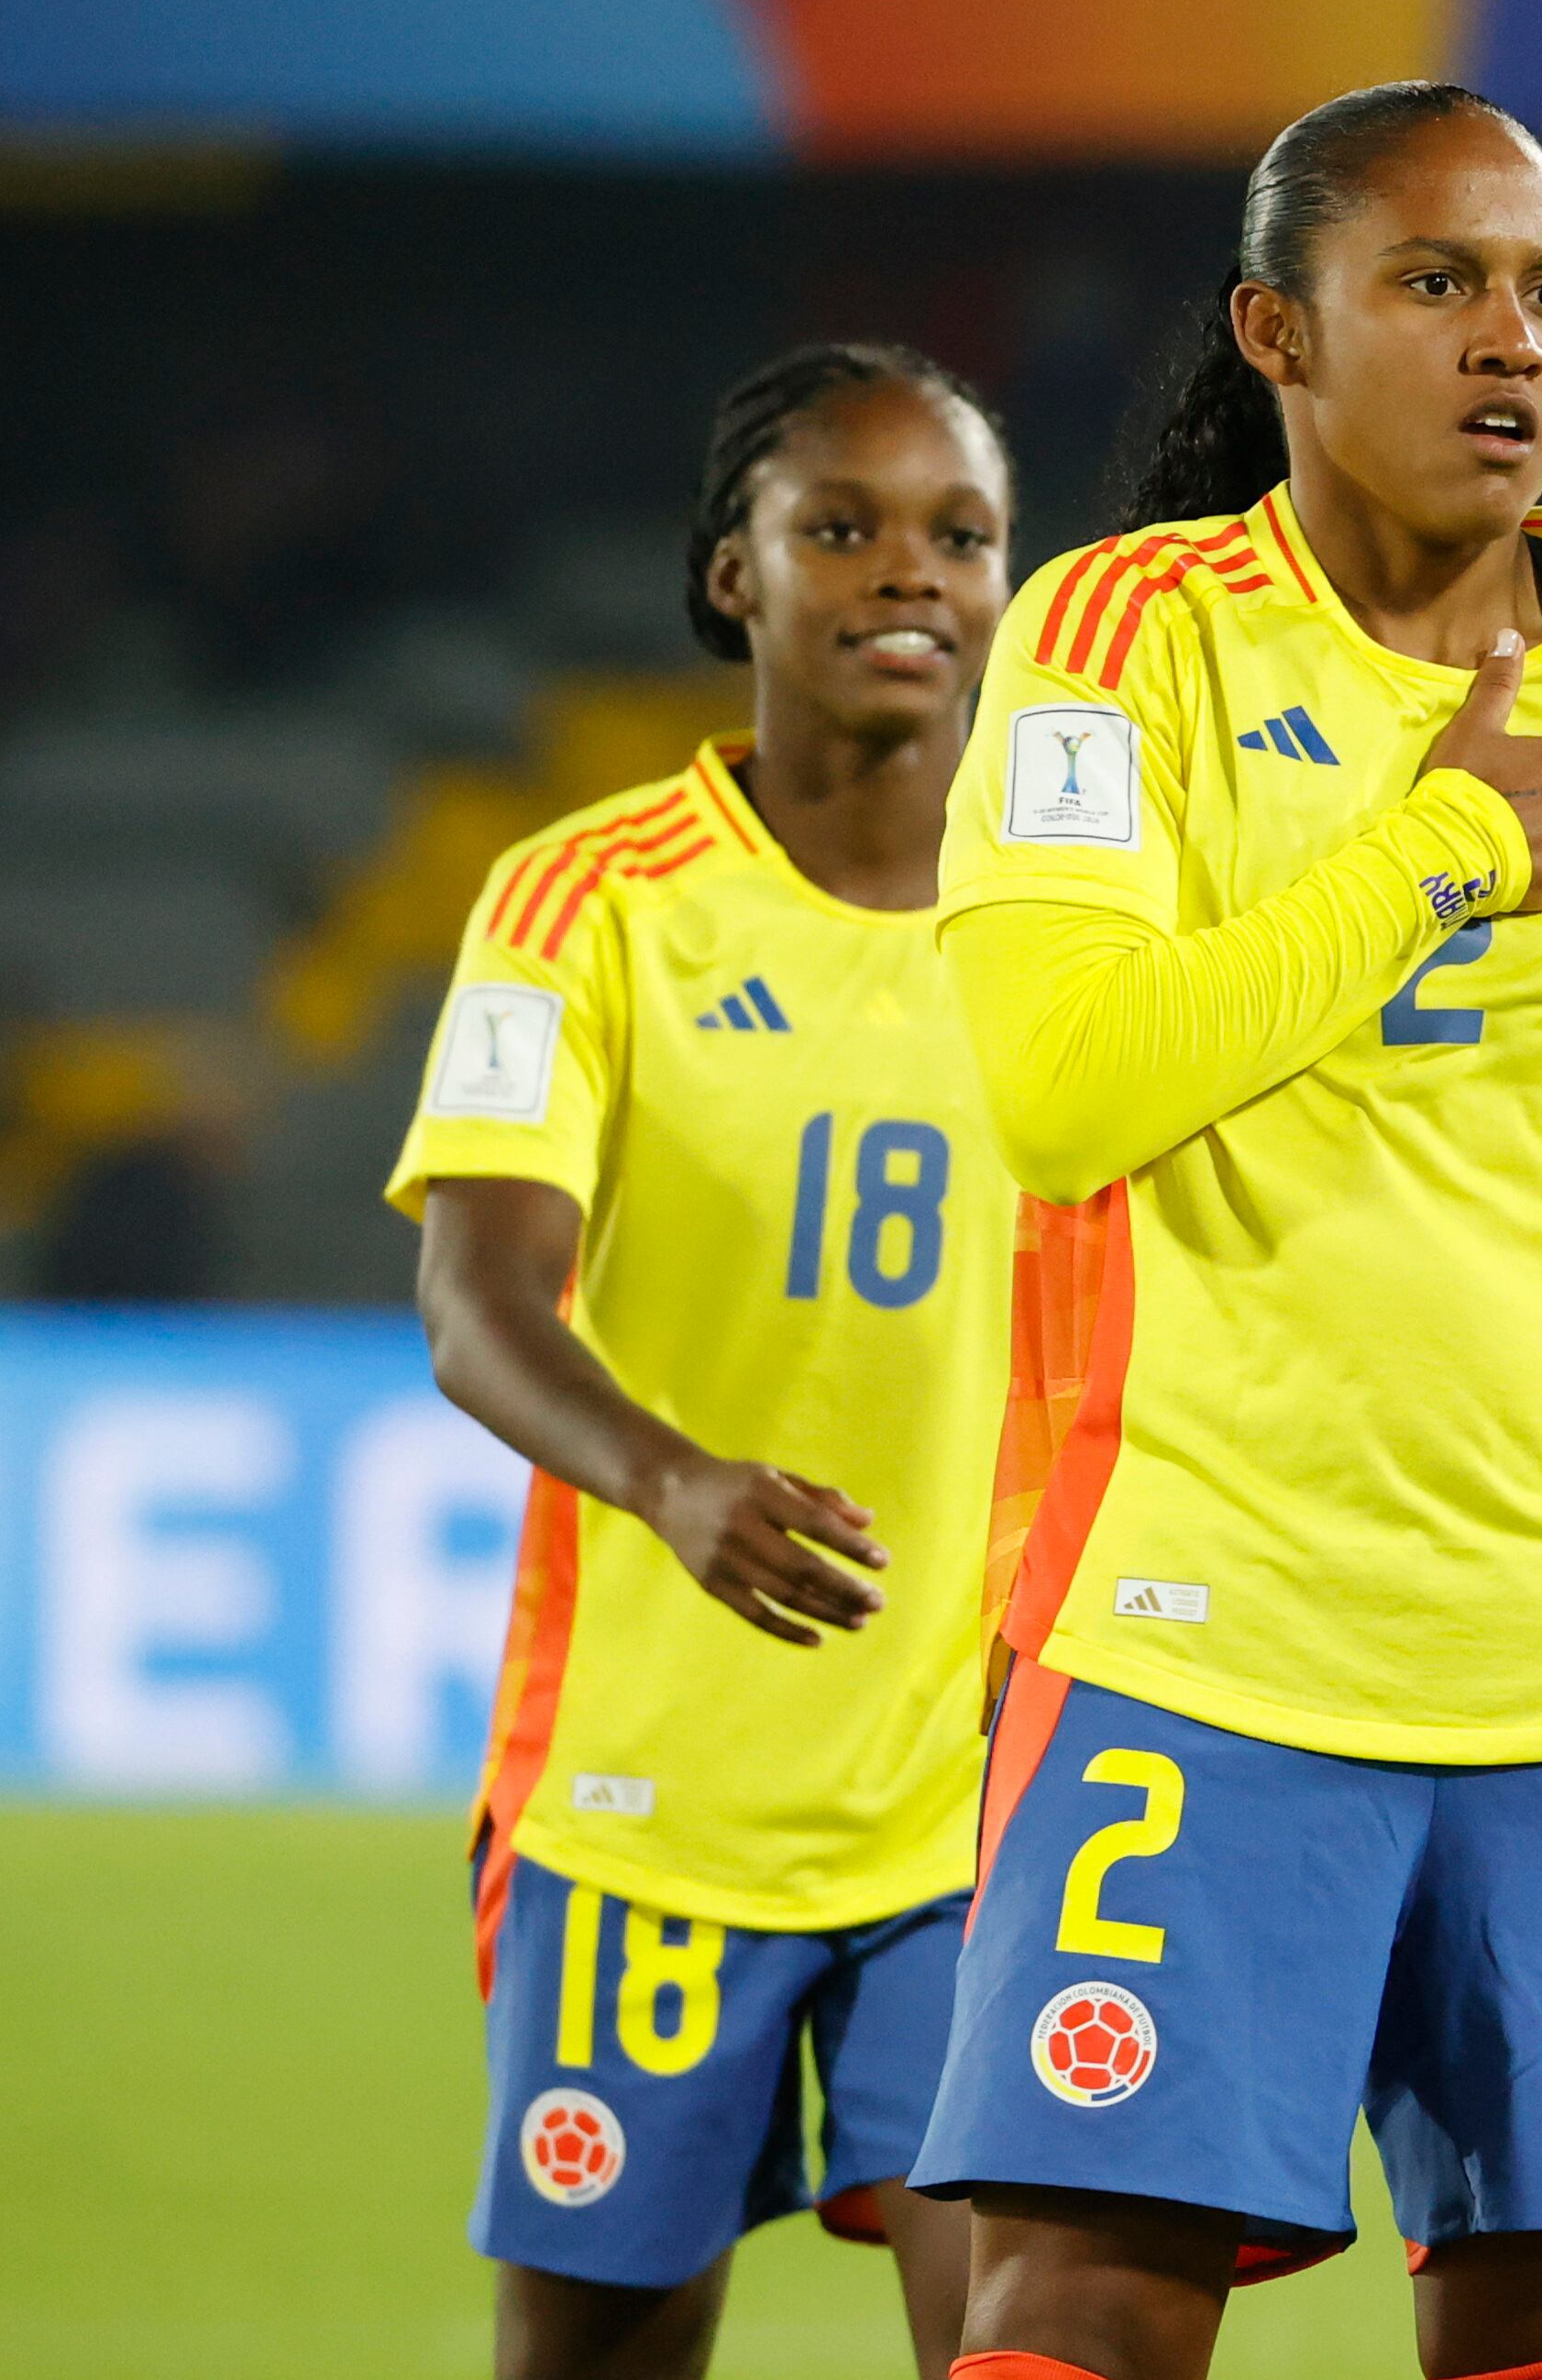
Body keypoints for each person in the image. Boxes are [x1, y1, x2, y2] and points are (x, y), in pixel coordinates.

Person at [908, 82, 1542, 2380]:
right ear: (1277, 329)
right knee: (1075, 2294)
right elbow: (1063, 1088)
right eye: (1438, 282)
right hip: (1201, 1636)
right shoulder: (1114, 640)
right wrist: (1452, 846)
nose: (1511, 341)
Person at [393, 342, 1019, 2380]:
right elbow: (481, 1304)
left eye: (955, 532)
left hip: (990, 1798)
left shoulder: (1082, 923)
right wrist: (673, 1481)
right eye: (837, 527)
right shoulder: (587, 904)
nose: (903, 574)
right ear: (733, 576)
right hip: (650, 1803)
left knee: (1026, 2340)